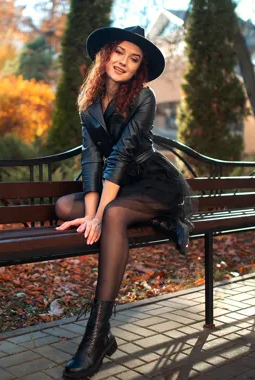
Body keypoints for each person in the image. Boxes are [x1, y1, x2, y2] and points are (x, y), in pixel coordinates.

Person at [54, 25, 197, 379]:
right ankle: (160, 221)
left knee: (114, 214)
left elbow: (119, 158)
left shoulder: (143, 98)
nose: (124, 62)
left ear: (139, 69)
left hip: (155, 182)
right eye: (119, 52)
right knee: (64, 207)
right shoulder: (88, 102)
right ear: (106, 54)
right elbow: (91, 159)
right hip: (121, 187)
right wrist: (90, 216)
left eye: (133, 59)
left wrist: (101, 216)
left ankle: (97, 336)